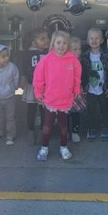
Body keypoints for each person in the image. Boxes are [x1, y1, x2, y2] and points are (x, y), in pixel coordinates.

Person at [33, 30, 82, 161]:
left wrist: (76, 90)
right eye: (58, 42)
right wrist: (38, 92)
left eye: (65, 43)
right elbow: (38, 77)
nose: (61, 45)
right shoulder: (46, 60)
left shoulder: (73, 60)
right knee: (47, 125)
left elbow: (77, 77)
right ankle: (44, 147)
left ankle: (63, 146)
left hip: (65, 100)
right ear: (53, 44)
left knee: (63, 125)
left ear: (68, 45)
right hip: (50, 99)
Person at [80, 28, 108, 141]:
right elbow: (82, 73)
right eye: (91, 38)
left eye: (97, 38)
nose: (94, 41)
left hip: (103, 88)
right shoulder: (84, 56)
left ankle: (105, 128)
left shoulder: (107, 55)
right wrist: (83, 86)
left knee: (105, 110)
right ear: (87, 40)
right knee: (91, 110)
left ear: (102, 40)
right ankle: (91, 128)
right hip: (90, 89)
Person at [19, 28, 49, 145]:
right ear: (33, 41)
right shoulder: (28, 53)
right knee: (31, 109)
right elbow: (24, 67)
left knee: (43, 110)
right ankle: (30, 131)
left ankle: (42, 131)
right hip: (32, 86)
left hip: (45, 86)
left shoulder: (48, 53)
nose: (46, 41)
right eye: (42, 39)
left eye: (47, 38)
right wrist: (23, 77)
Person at [68, 36, 83, 143]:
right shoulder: (64, 61)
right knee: (64, 113)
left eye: (79, 49)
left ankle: (75, 132)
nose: (78, 52)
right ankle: (65, 131)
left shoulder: (80, 61)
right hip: (66, 91)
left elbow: (84, 75)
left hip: (77, 90)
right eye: (75, 49)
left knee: (75, 112)